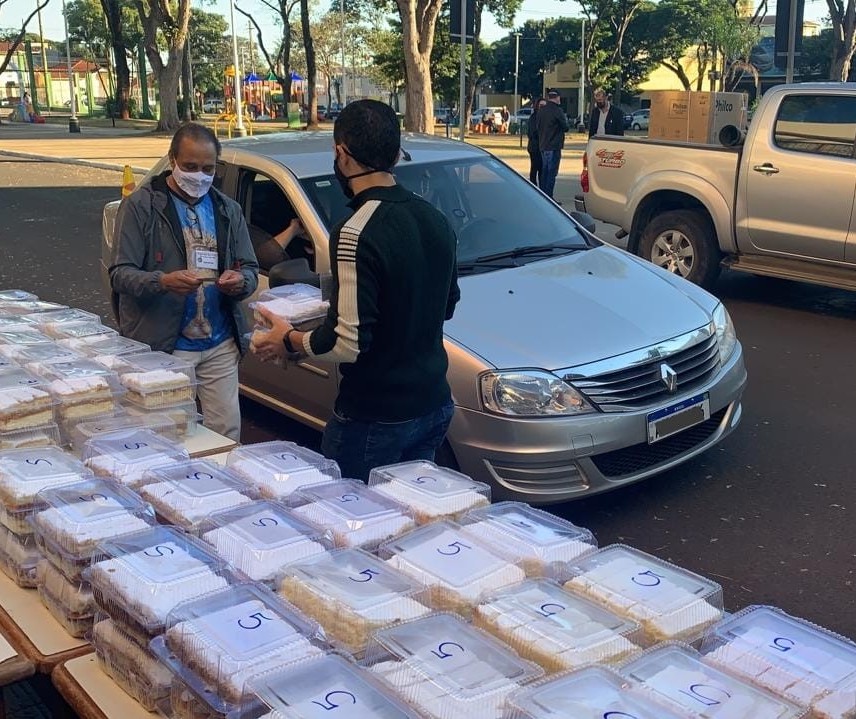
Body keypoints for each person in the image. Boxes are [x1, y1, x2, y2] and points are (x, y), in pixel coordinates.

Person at [251, 99, 461, 481]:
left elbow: (346, 343)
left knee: (356, 526)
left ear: (341, 154)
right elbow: (445, 307)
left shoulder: (353, 232)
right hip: (433, 404)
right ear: (396, 155)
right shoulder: (436, 219)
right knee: (409, 515)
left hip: (375, 417)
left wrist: (290, 339)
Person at [109, 122, 259, 442]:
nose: (199, 176)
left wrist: (240, 280)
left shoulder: (226, 209)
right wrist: (162, 281)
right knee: (167, 434)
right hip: (165, 344)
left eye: (208, 168)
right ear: (172, 160)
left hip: (219, 342)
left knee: (226, 432)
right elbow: (120, 274)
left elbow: (250, 268)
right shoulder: (142, 206)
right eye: (190, 167)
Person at [535, 89, 570, 200]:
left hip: (543, 145)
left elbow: (537, 127)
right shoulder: (557, 111)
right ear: (557, 97)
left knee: (544, 171)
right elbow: (565, 127)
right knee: (551, 173)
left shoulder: (541, 111)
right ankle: (549, 197)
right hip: (554, 145)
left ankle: (543, 194)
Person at [527, 98, 546, 185]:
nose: (542, 107)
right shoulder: (534, 117)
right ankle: (533, 186)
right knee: (535, 168)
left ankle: (542, 189)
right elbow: (532, 133)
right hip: (534, 148)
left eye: (544, 106)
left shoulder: (546, 117)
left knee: (542, 170)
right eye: (541, 105)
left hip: (544, 147)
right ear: (537, 106)